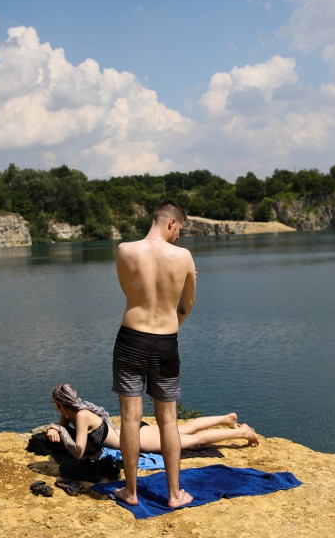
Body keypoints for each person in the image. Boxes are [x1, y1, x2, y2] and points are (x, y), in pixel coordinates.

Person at [111, 200, 197, 508]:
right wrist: (172, 323)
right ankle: (174, 495)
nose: (178, 238)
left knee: (130, 418)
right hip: (166, 342)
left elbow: (128, 290)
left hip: (130, 338)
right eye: (179, 231)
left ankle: (131, 492)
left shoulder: (124, 250)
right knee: (168, 419)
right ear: (172, 223)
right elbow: (187, 302)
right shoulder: (184, 257)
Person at [37, 383, 260, 461]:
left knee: (193, 439)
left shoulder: (82, 416)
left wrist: (59, 431)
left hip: (138, 440)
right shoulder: (72, 412)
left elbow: (77, 451)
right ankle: (227, 418)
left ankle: (242, 433)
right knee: (183, 428)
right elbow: (62, 427)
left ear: (58, 404)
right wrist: (54, 427)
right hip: (136, 431)